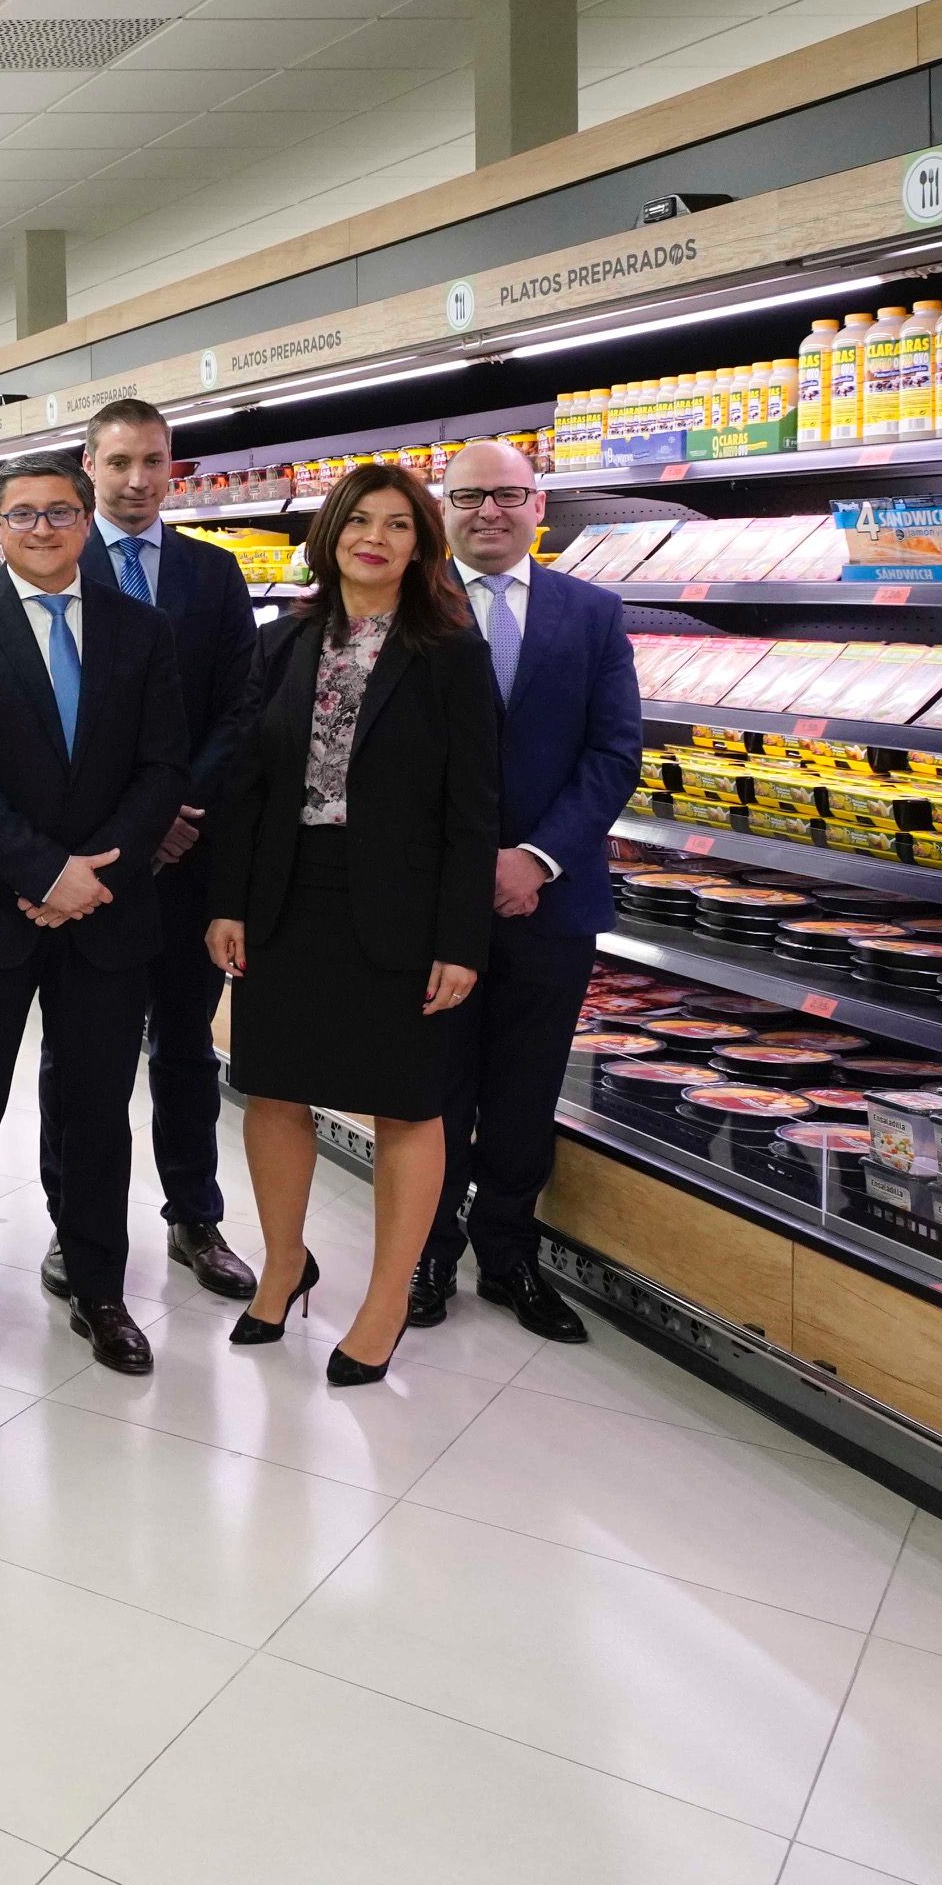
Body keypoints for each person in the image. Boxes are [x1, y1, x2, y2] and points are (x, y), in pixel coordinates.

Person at [205, 462, 499, 1388]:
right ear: (331, 531)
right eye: (359, 519)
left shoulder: (452, 652)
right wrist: (227, 902)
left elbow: (473, 807)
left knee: (406, 1103)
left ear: (422, 545)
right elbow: (244, 785)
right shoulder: (281, 642)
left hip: (402, 911)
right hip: (288, 896)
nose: (376, 537)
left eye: (399, 525)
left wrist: (461, 939)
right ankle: (286, 1264)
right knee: (273, 1090)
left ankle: (384, 1303)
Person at [0, 453, 189, 1379]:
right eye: (24, 514)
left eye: (60, 512)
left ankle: (101, 1289)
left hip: (107, 910)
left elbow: (162, 767)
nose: (42, 528)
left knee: (97, 1109)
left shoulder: (142, 631)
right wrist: (42, 869)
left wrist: (92, 873)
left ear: (86, 520)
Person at [417, 437, 639, 1343]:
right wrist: (471, 864)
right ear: (444, 512)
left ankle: (508, 1255)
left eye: (507, 496)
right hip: (434, 901)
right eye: (467, 497)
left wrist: (538, 856)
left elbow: (614, 751)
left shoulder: (592, 612)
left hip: (553, 898)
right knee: (432, 1086)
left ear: (539, 505)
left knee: (525, 1087)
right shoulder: (407, 611)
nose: (489, 513)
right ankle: (426, 1253)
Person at [71, 399, 263, 1307]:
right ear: (90, 466)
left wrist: (179, 808)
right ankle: (77, 1226)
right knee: (81, 1056)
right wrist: (127, 829)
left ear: (172, 464)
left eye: (153, 461)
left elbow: (240, 706)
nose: (138, 480)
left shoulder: (213, 574)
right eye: (119, 463)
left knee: (186, 1044)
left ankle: (196, 1215)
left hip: (190, 851)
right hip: (94, 859)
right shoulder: (56, 565)